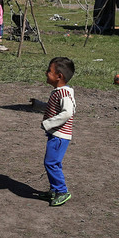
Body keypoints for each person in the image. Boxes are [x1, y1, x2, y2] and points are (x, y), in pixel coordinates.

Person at [41, 56, 76, 207]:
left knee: (51, 163)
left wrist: (48, 123)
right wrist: (38, 105)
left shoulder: (63, 93)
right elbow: (55, 109)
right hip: (56, 135)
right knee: (54, 163)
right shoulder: (59, 91)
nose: (46, 73)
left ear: (59, 76)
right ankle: (55, 188)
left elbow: (68, 112)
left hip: (59, 136)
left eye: (49, 71)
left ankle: (62, 191)